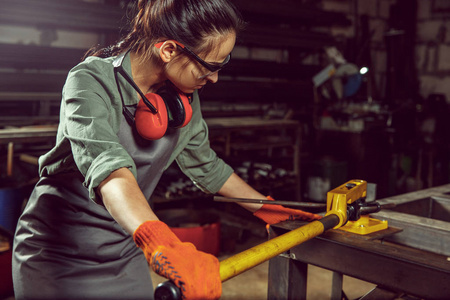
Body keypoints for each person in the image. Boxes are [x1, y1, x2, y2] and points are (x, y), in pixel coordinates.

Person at [12, 0, 320, 299]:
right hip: (56, 253)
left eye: (222, 64)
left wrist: (270, 209)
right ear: (169, 49)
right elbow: (109, 171)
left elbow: (206, 166)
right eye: (209, 66)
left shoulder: (182, 98)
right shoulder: (89, 81)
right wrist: (163, 244)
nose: (214, 78)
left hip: (123, 251)